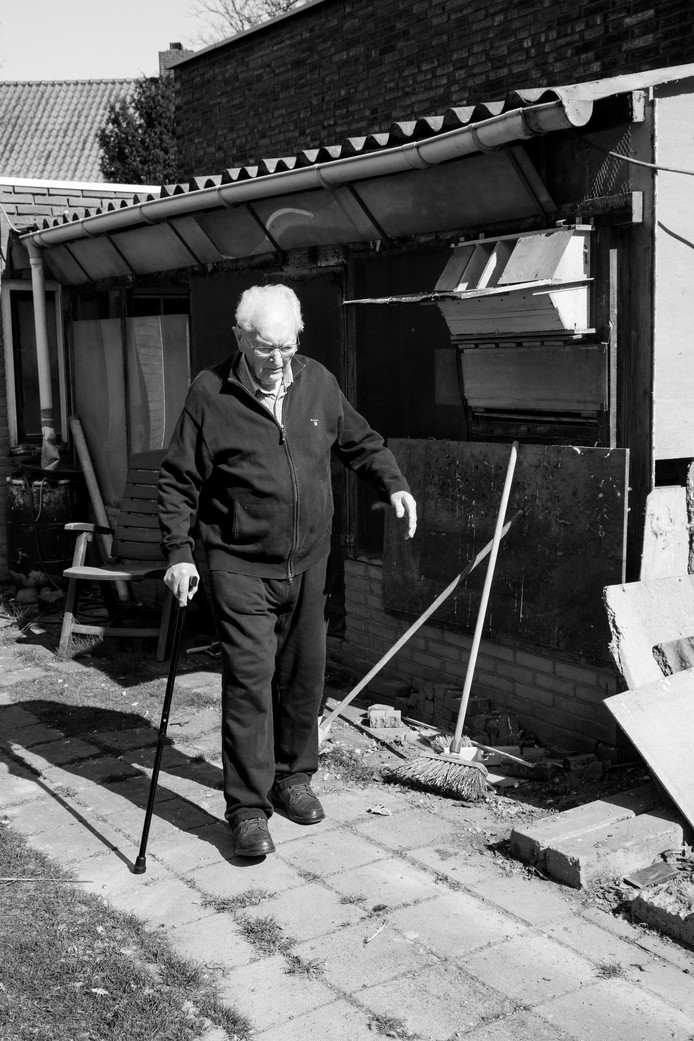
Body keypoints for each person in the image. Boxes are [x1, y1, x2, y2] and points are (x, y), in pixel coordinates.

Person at [158, 284, 416, 858]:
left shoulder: (317, 380)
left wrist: (393, 484)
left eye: (287, 345)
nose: (278, 360)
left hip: (309, 561)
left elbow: (360, 442)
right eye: (265, 347)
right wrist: (178, 553)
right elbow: (179, 480)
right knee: (251, 683)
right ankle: (248, 810)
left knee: (304, 676)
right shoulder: (209, 393)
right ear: (240, 339)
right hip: (238, 563)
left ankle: (292, 776)